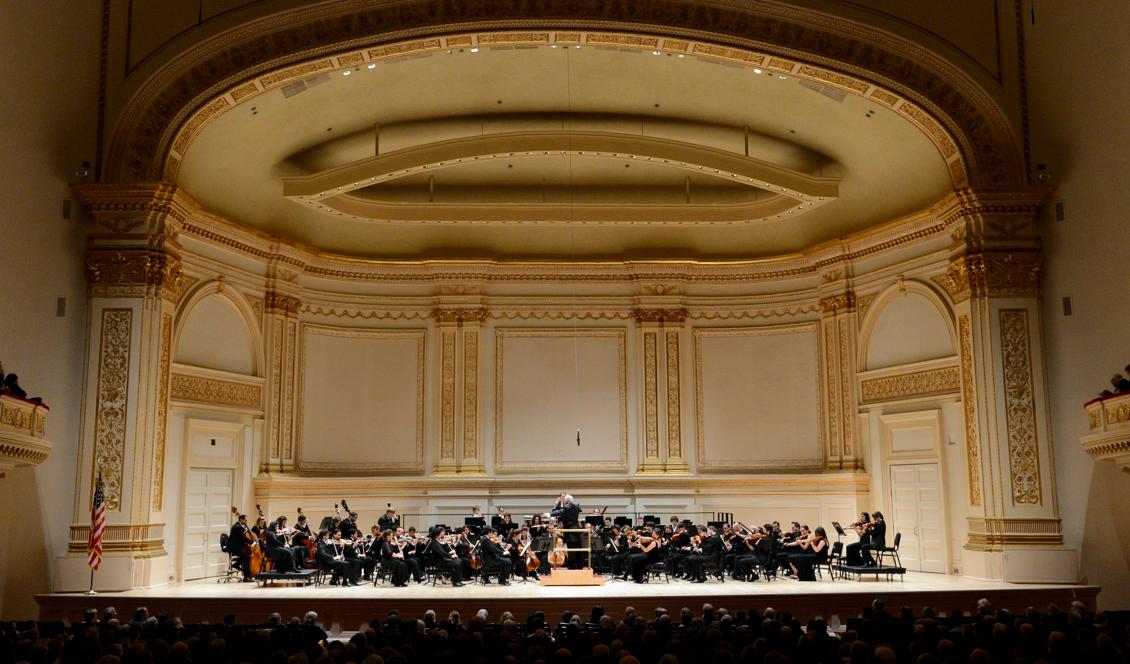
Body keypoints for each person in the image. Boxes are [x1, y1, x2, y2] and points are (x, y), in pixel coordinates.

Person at [550, 492, 583, 568]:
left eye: (564, 499)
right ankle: (578, 566)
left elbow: (559, 512)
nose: (563, 500)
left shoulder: (567, 508)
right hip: (576, 532)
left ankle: (572, 566)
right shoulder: (575, 507)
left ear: (567, 501)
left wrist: (550, 513)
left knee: (571, 550)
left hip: (571, 533)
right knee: (577, 549)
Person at [227, 513, 254, 582]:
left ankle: (236, 564)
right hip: (233, 546)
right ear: (241, 519)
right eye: (245, 520)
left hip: (237, 545)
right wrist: (252, 543)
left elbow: (241, 538)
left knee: (246, 556)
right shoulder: (237, 527)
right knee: (246, 558)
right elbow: (244, 538)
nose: (246, 522)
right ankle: (246, 578)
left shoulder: (239, 526)